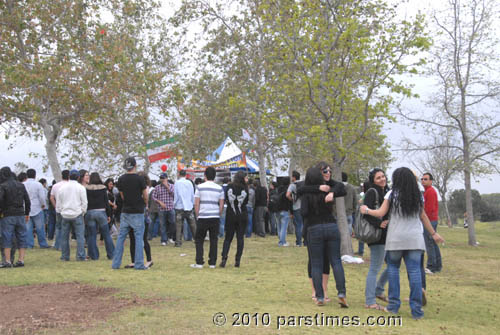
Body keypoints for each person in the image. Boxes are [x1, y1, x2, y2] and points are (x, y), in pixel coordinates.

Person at [360, 167, 444, 319]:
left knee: (393, 270)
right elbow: (423, 216)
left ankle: (393, 306)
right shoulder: (418, 196)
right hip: (414, 239)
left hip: (395, 239)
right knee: (415, 272)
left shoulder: (391, 194)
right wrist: (433, 233)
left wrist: (366, 210)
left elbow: (380, 213)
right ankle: (416, 310)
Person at [301, 166, 348, 307]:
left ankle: (320, 296)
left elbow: (303, 212)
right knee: (336, 261)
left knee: (316, 264)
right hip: (331, 226)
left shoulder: (306, 193)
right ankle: (341, 292)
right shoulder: (328, 190)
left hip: (314, 227)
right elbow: (342, 189)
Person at [112, 157, 148, 270]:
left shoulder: (121, 179)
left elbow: (122, 196)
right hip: (137, 211)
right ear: (135, 165)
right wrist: (145, 204)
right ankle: (139, 264)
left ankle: (115, 264)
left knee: (121, 238)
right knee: (138, 238)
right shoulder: (140, 179)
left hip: (125, 211)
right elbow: (145, 195)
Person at [363, 168, 390, 310]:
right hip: (377, 236)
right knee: (375, 268)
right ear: (373, 180)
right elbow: (365, 213)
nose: (382, 179)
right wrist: (379, 224)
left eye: (383, 176)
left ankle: (378, 290)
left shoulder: (387, 192)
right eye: (378, 177)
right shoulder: (372, 192)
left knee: (392, 264)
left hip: (387, 235)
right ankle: (369, 301)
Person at [191, 167, 224, 269]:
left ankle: (199, 262)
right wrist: (218, 214)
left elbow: (196, 203)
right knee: (214, 240)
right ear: (215, 176)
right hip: (214, 216)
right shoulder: (219, 188)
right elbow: (221, 204)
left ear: (204, 175)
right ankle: (212, 262)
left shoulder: (199, 187)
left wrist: (198, 215)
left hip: (203, 215)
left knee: (199, 239)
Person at [0, 167, 31, 268]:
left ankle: (7, 261)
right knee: (22, 237)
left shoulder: (3, 186)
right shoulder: (21, 185)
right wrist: (27, 213)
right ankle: (21, 260)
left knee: (7, 237)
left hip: (8, 214)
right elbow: (27, 200)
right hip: (20, 214)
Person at [56, 169, 88, 261]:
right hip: (77, 214)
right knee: (80, 237)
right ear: (78, 177)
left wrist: (61, 211)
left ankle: (65, 256)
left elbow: (59, 202)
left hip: (65, 214)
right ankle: (80, 256)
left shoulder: (62, 188)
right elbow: (84, 202)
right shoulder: (81, 188)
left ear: (69, 176)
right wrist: (83, 212)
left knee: (64, 237)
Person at [220, 171, 248, 268]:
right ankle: (238, 260)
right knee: (240, 238)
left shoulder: (229, 186)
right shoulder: (245, 188)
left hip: (231, 214)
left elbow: (226, 198)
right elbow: (246, 201)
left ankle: (224, 257)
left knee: (228, 238)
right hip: (242, 215)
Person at [125, 172, 153, 269]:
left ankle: (149, 260)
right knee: (133, 238)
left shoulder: (146, 189)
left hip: (142, 214)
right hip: (136, 214)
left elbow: (146, 200)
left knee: (142, 238)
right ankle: (134, 261)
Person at [85, 172, 114, 260]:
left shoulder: (86, 188)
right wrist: (109, 214)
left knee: (92, 235)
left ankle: (94, 255)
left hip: (90, 212)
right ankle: (112, 254)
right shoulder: (103, 188)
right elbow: (106, 202)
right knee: (106, 235)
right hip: (101, 212)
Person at [421, 172, 442, 274]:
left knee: (429, 243)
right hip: (431, 220)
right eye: (422, 179)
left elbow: (428, 209)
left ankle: (431, 267)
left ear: (431, 181)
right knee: (433, 243)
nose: (423, 181)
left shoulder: (430, 191)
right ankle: (438, 265)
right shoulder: (426, 191)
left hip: (430, 220)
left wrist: (424, 220)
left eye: (425, 179)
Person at [23, 168, 50, 249]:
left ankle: (29, 244)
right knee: (40, 228)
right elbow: (42, 197)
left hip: (25, 209)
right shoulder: (38, 185)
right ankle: (42, 244)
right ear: (35, 175)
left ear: (27, 175)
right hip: (37, 208)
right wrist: (43, 205)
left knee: (28, 228)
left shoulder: (23, 184)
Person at [173, 169, 196, 247]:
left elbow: (176, 195)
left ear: (179, 174)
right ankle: (197, 240)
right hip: (188, 206)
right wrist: (192, 204)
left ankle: (178, 242)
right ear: (186, 175)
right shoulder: (189, 183)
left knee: (178, 225)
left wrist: (174, 204)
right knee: (193, 224)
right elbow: (192, 194)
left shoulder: (177, 183)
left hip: (179, 207)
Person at [152, 173, 175, 246]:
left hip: (170, 207)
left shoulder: (172, 186)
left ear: (167, 178)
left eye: (164, 178)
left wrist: (167, 187)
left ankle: (170, 237)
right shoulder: (157, 187)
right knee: (162, 224)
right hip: (161, 209)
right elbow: (154, 197)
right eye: (161, 178)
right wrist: (159, 202)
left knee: (172, 222)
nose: (162, 179)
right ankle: (164, 240)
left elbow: (174, 194)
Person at [287, 171, 304, 246]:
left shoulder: (292, 185)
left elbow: (287, 195)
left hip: (296, 206)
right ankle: (306, 241)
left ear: (294, 177)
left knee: (298, 225)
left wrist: (292, 199)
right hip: (304, 206)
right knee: (304, 224)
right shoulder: (304, 183)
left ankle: (299, 242)